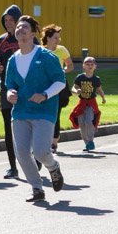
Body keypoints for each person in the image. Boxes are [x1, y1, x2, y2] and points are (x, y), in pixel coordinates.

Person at [4, 16, 66, 203]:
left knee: (40, 152)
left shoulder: (46, 57)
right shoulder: (13, 60)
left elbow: (60, 81)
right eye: (18, 27)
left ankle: (53, 167)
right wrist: (10, 94)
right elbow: (10, 85)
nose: (20, 29)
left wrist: (45, 94)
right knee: (22, 153)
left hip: (44, 111)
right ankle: (37, 188)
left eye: (25, 27)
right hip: (21, 112)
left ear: (33, 33)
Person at [0, 4, 25, 179]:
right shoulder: (1, 40)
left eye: (11, 20)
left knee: (27, 125)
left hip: (24, 88)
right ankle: (13, 167)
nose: (8, 23)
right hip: (6, 87)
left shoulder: (29, 38)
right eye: (5, 20)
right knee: (8, 128)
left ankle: (34, 159)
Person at [44, 24, 73, 153]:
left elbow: (70, 66)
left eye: (58, 38)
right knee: (44, 113)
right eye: (55, 37)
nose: (58, 40)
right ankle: (44, 140)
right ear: (48, 38)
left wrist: (62, 71)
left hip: (59, 85)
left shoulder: (62, 50)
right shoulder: (41, 50)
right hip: (44, 85)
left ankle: (54, 143)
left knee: (56, 113)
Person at [69, 56, 106, 151]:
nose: (89, 66)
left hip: (91, 104)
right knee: (82, 124)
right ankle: (87, 144)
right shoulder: (80, 77)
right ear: (83, 66)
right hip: (82, 103)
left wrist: (103, 98)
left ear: (95, 67)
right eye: (87, 64)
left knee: (88, 121)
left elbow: (99, 89)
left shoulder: (96, 79)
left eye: (91, 64)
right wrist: (76, 91)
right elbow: (73, 88)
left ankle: (91, 141)